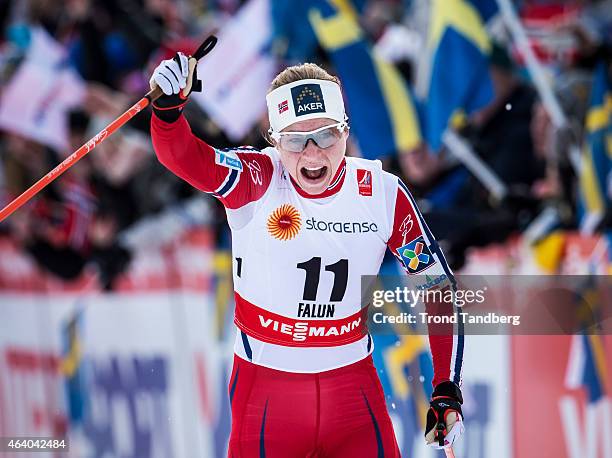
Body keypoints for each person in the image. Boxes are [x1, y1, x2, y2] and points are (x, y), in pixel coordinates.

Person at [149, 52, 464, 457]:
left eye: (327, 136)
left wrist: (446, 388)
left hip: (352, 392)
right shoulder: (257, 179)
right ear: (275, 141)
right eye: (296, 141)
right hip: (267, 394)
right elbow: (183, 157)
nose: (313, 155)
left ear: (346, 132)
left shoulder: (381, 194)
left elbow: (437, 285)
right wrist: (168, 112)